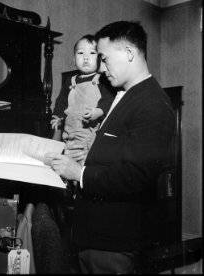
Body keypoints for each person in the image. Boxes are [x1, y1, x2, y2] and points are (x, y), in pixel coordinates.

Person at [45, 21, 175, 274]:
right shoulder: (122, 95)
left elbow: (134, 176)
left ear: (129, 53)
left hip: (114, 244)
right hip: (93, 236)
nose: (101, 68)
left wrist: (78, 172)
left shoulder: (153, 104)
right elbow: (112, 156)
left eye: (104, 58)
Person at [51, 34, 115, 161]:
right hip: (70, 133)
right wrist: (58, 117)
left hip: (90, 134)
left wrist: (99, 111)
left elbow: (109, 99)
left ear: (100, 58)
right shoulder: (71, 81)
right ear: (74, 60)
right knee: (66, 158)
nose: (86, 57)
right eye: (80, 53)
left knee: (86, 160)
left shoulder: (102, 79)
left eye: (92, 53)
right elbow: (61, 102)